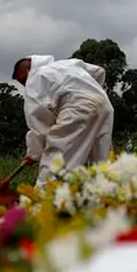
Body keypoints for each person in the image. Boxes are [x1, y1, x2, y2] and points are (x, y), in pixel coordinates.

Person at [12, 55, 114, 185]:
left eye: (22, 80)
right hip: (104, 105)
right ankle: (104, 200)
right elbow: (99, 71)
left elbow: (39, 126)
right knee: (100, 165)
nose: (24, 84)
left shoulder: (35, 78)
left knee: (56, 165)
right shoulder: (68, 64)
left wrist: (33, 154)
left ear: (28, 70)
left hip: (76, 107)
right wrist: (94, 96)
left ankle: (43, 200)